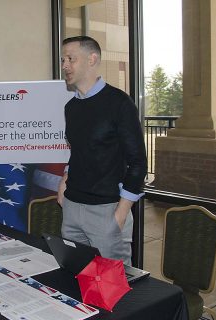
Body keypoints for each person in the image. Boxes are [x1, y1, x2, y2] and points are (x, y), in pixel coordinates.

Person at [57, 36, 147, 266]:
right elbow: (79, 150)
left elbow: (138, 162)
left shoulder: (119, 103)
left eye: (70, 59)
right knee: (75, 283)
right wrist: (64, 182)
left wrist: (120, 215)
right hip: (71, 208)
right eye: (63, 60)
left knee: (113, 293)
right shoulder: (71, 107)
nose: (64, 65)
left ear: (92, 59)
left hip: (107, 212)